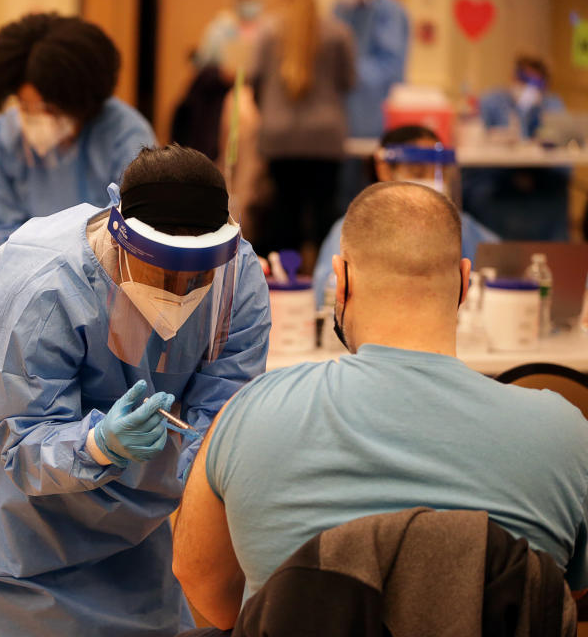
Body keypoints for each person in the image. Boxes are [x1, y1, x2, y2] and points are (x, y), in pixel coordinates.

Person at [172, 182, 588, 630]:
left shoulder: (248, 415)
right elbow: (564, 598)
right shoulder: (565, 434)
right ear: (465, 283)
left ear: (342, 279)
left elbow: (206, 590)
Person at [0, 145, 271, 636]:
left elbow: (226, 406)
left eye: (198, 275)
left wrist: (211, 472)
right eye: (162, 271)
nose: (180, 292)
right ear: (122, 243)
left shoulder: (236, 273)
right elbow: (23, 438)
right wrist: (97, 444)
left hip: (135, 510)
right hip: (10, 517)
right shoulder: (43, 282)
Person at [0, 13, 156, 247]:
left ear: (79, 102)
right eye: (24, 105)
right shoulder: (5, 136)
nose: (34, 118)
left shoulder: (125, 135)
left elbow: (132, 226)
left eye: (48, 108)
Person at [312, 124, 499, 308]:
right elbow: (328, 298)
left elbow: (504, 267)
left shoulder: (460, 225)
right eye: (418, 171)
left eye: (440, 172)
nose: (432, 180)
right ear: (384, 169)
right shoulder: (353, 228)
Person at [250, 0, 355, 259]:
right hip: (325, 137)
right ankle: (328, 279)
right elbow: (349, 82)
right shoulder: (339, 33)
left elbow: (254, 80)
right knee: (325, 217)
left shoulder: (267, 31)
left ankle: (284, 278)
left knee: (283, 215)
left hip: (279, 137)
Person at [464, 55, 569, 241]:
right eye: (523, 78)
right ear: (513, 77)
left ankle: (555, 252)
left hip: (541, 177)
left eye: (535, 82)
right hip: (497, 176)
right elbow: (474, 141)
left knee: (555, 191)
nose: (527, 86)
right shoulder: (492, 101)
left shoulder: (551, 104)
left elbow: (561, 142)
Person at [333, 0, 408, 140]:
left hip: (375, 115)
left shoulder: (387, 12)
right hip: (344, 117)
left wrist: (348, 70)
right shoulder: (341, 9)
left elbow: (390, 66)